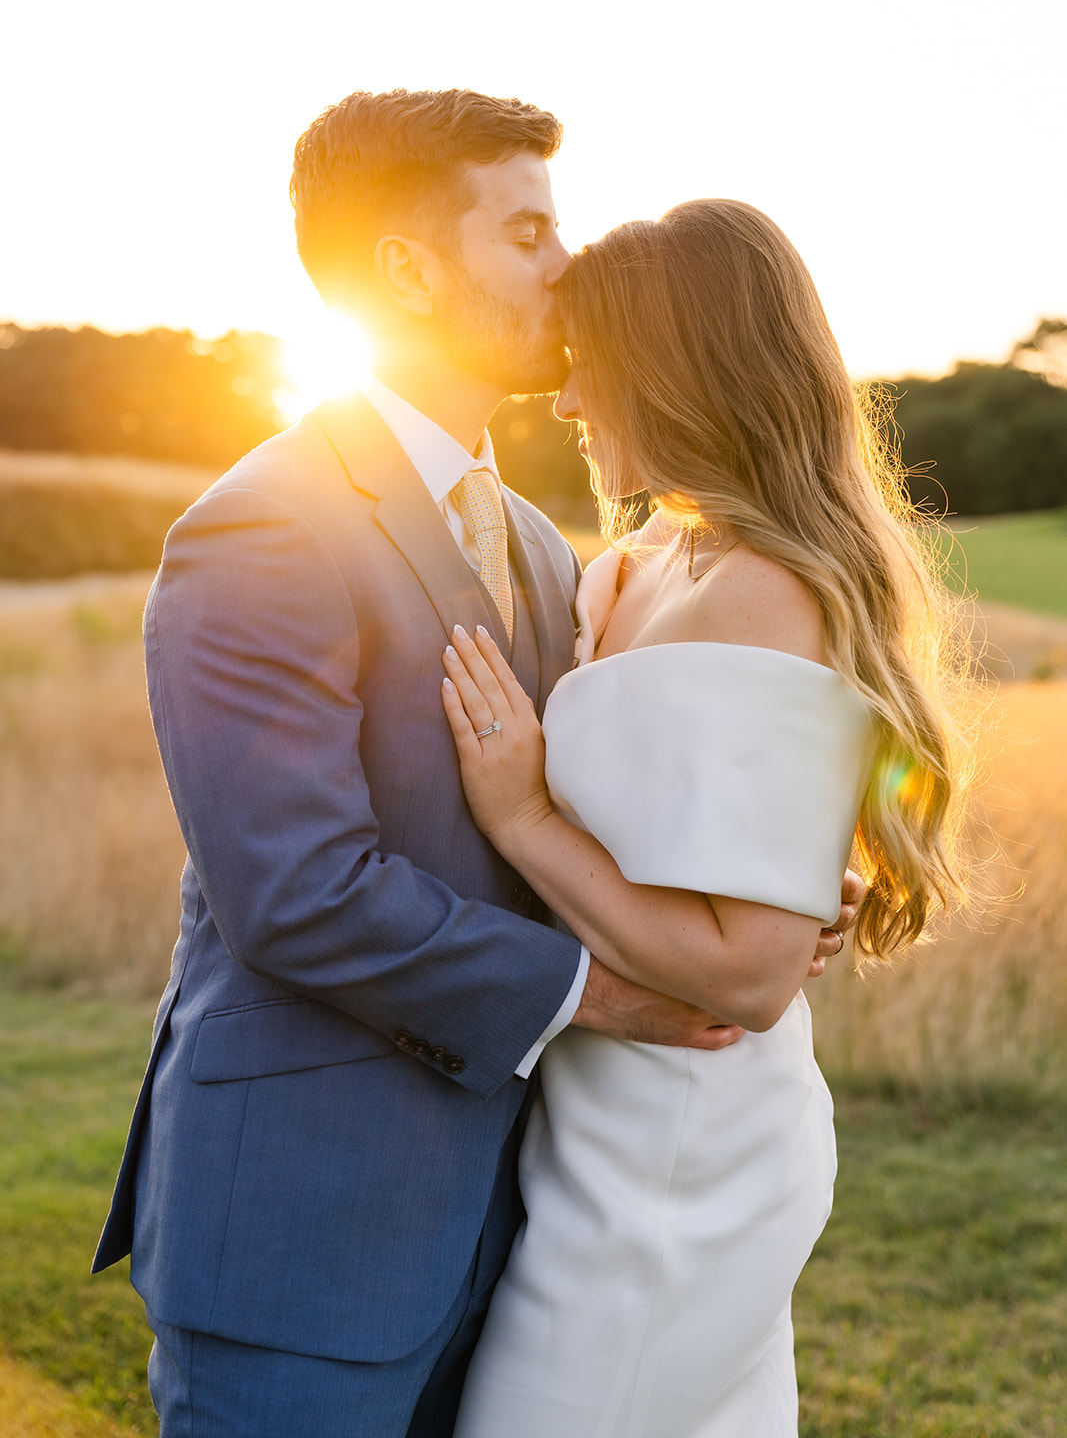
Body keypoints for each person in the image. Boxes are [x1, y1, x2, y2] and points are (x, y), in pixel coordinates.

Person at [91, 94, 856, 1438]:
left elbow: (588, 808)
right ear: (407, 269)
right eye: (525, 231)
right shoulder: (262, 531)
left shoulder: (544, 546)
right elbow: (300, 893)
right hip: (309, 1234)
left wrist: (763, 882)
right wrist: (610, 992)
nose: (565, 267)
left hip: (522, 1222)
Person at [439, 200, 974, 1437]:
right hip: (590, 1138)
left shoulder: (764, 594)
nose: (564, 401)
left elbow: (744, 976)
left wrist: (521, 816)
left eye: (590, 367)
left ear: (675, 371)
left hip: (682, 1156)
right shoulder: (633, 565)